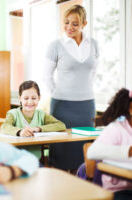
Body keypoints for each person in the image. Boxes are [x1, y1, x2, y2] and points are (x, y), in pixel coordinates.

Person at [43, 4, 99, 170]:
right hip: (62, 106)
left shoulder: (93, 44)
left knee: (84, 150)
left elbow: (93, 72)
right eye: (66, 22)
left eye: (75, 24)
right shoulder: (56, 45)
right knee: (61, 151)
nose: (69, 27)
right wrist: (59, 93)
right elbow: (47, 76)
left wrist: (85, 90)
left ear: (84, 24)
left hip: (86, 105)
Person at [0, 80, 66, 159]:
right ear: (20, 98)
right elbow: (4, 127)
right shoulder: (13, 113)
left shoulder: (41, 114)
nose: (30, 102)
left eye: (34, 98)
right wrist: (19, 132)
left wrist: (39, 128)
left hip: (35, 160)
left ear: (39, 98)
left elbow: (61, 125)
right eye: (26, 98)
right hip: (15, 160)